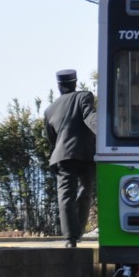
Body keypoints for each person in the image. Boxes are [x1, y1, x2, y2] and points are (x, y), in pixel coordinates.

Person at [44, 69, 97, 247]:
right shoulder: (84, 96)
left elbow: (51, 138)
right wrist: (102, 133)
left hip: (62, 156)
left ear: (59, 86)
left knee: (65, 196)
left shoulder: (49, 109)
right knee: (85, 193)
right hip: (85, 154)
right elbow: (89, 116)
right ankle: (78, 232)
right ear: (75, 83)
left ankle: (70, 238)